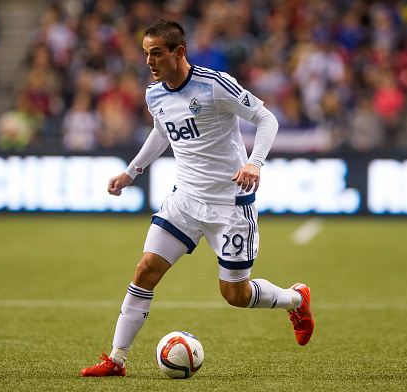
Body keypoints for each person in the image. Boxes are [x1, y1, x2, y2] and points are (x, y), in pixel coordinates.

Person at [80, 20, 314, 377]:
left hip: (230, 207)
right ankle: (116, 359)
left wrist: (254, 163)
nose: (149, 62)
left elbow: (267, 119)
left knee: (234, 294)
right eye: (145, 54)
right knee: (145, 270)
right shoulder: (154, 93)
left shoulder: (214, 85)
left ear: (179, 52)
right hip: (185, 201)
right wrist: (132, 171)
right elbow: (162, 132)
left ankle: (295, 299)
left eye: (156, 53)